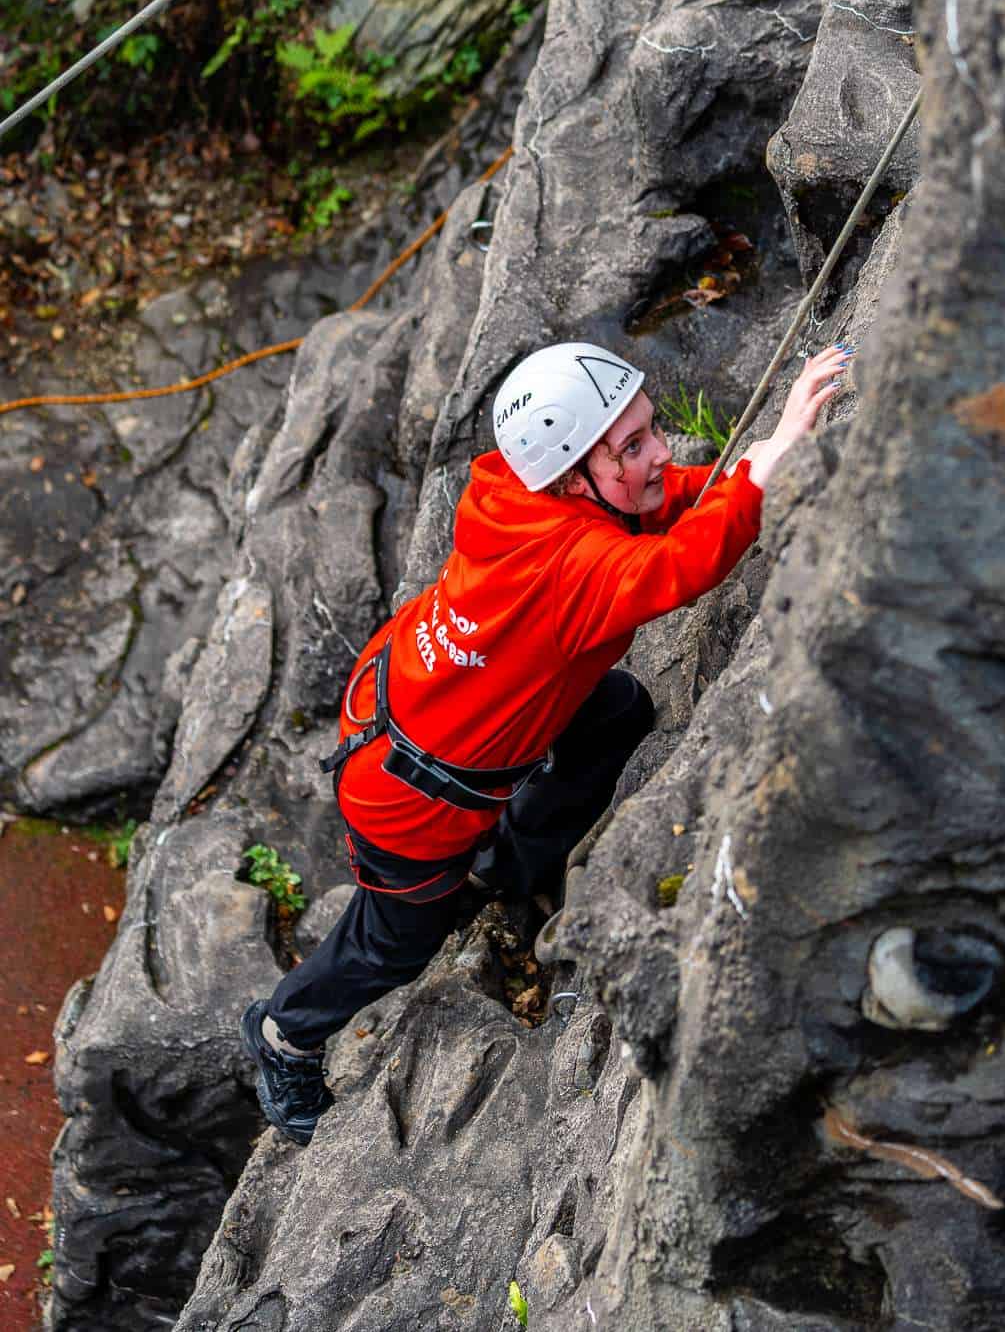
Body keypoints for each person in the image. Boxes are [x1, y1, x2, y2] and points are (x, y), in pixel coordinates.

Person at [241, 339, 851, 1144]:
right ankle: (285, 1030)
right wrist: (764, 473)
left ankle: (512, 866)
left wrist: (758, 464)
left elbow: (652, 505)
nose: (661, 451)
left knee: (617, 710)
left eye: (649, 430)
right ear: (569, 476)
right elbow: (681, 564)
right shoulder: (571, 569)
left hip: (409, 708)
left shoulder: (509, 486)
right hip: (410, 802)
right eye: (632, 446)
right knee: (394, 944)